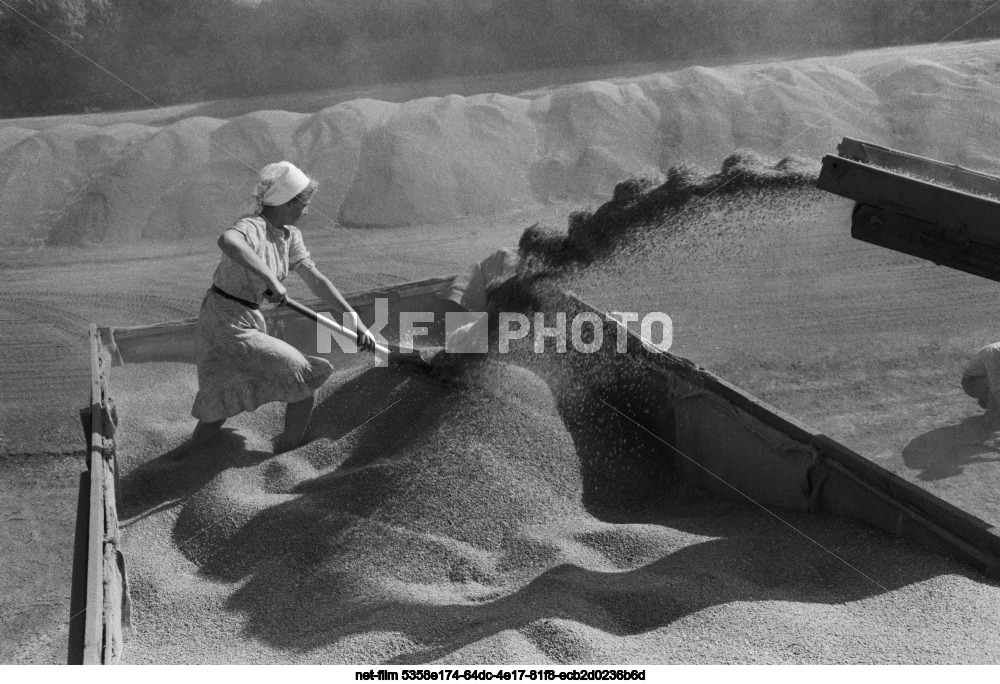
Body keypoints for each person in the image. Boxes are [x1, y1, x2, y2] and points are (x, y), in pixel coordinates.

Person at [188, 161, 376, 454]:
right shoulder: (253, 226)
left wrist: (355, 322)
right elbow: (227, 240)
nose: (308, 210)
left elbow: (316, 280)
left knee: (220, 400)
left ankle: (187, 457)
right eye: (305, 203)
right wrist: (268, 278)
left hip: (248, 320)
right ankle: (289, 454)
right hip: (223, 322)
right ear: (287, 202)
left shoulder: (290, 236)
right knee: (302, 376)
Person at [961, 342, 1000, 425]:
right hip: (972, 382)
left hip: (988, 379)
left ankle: (986, 400)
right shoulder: (992, 354)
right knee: (996, 385)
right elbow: (996, 387)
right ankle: (993, 417)